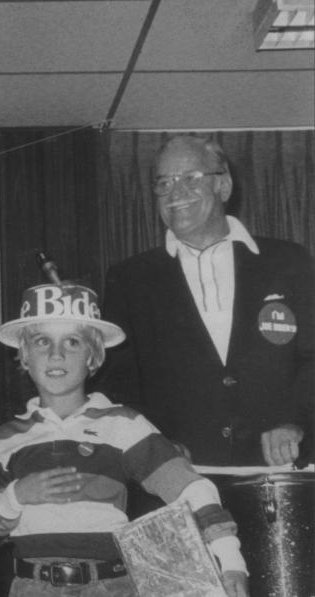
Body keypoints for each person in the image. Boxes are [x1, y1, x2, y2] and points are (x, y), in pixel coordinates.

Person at [0, 282, 249, 597]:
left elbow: (192, 487)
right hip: (31, 587)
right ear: (24, 355)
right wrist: (15, 496)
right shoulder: (6, 438)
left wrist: (230, 557)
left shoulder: (123, 425)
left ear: (94, 356)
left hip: (110, 587)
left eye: (73, 342)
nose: (56, 353)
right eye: (42, 341)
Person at [96, 135, 314, 466]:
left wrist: (297, 423)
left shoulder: (289, 262)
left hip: (280, 471)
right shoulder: (130, 279)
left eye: (190, 178)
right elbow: (117, 383)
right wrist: (154, 445)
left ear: (223, 186)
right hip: (177, 482)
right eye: (164, 182)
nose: (175, 193)